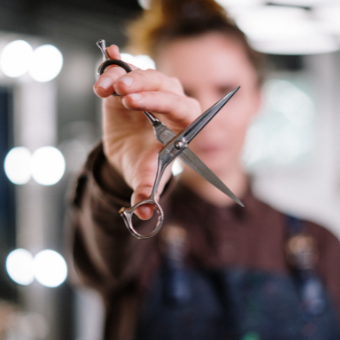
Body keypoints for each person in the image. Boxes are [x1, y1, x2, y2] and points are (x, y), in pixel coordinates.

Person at [68, 0, 340, 339]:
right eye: (186, 92)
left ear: (259, 98)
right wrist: (122, 177)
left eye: (225, 92)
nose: (204, 120)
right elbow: (98, 261)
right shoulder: (137, 241)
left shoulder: (322, 247)